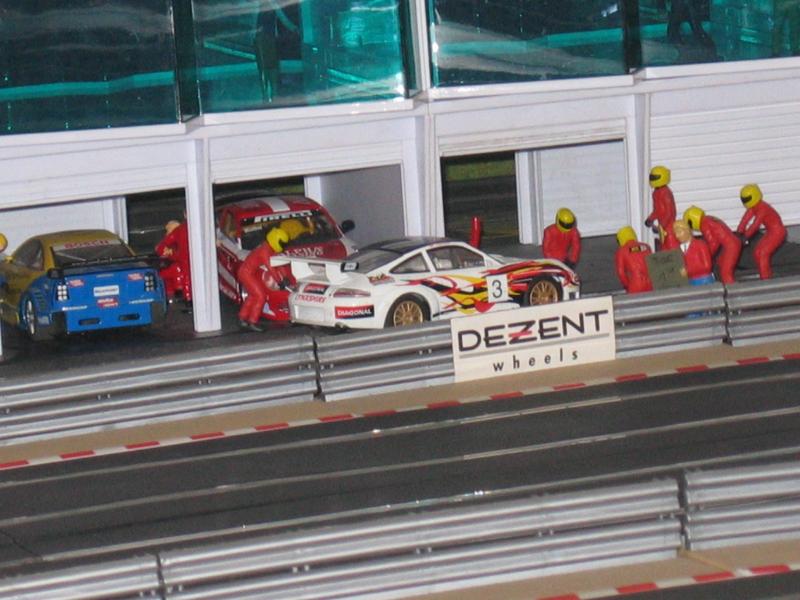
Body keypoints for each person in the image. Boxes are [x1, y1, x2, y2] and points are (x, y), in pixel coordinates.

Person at [237, 227, 289, 331]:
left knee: (253, 296)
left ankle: (242, 318)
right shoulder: (265, 251)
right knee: (260, 296)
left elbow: (278, 263)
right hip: (246, 274)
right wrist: (280, 281)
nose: (283, 246)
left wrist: (285, 277)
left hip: (247, 273)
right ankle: (252, 321)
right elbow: (271, 268)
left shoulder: (268, 248)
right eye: (282, 244)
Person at [736, 184, 787, 280]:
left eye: (747, 199)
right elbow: (745, 219)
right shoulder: (754, 207)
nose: (745, 202)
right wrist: (739, 231)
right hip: (771, 232)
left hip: (777, 232)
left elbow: (755, 225)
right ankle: (765, 273)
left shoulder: (762, 208)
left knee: (763, 253)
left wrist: (745, 236)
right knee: (757, 252)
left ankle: (765, 278)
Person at [683, 205, 742, 284]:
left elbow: (713, 242)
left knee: (725, 271)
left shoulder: (704, 224)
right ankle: (723, 284)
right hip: (729, 245)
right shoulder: (709, 219)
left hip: (730, 247)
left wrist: (707, 254)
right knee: (720, 264)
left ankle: (732, 288)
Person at [155, 218, 191, 303]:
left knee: (181, 272)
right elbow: (161, 249)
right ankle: (184, 296)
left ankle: (185, 296)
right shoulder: (178, 232)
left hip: (183, 263)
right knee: (178, 270)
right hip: (176, 264)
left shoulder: (180, 231)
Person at [646, 165, 679, 250]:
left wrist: (661, 226)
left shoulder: (666, 193)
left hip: (669, 226)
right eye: (651, 177)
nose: (652, 179)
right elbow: (657, 210)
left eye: (654, 177)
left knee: (671, 245)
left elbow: (669, 212)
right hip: (662, 226)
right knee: (663, 245)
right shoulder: (656, 193)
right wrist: (650, 218)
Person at [672, 219, 714, 285]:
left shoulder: (700, 245)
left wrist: (688, 271)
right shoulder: (678, 249)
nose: (677, 236)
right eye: (675, 234)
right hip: (688, 282)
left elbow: (707, 266)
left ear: (687, 230)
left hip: (703, 281)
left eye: (679, 232)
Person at [615, 226, 654, 294]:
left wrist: (627, 285)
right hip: (650, 283)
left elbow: (621, 273)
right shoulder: (646, 246)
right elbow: (653, 264)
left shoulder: (621, 251)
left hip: (635, 285)